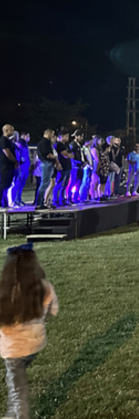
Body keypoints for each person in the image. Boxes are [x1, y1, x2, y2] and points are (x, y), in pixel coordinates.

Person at [0, 244, 59, 419]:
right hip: (35, 344)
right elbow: (52, 310)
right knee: (17, 374)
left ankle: (17, 416)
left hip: (12, 349)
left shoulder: (4, 291)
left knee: (17, 388)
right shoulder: (44, 287)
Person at [34, 130, 57, 210]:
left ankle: (41, 202)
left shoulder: (46, 142)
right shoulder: (44, 142)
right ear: (48, 133)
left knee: (45, 184)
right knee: (44, 184)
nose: (53, 136)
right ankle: (39, 203)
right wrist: (55, 158)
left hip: (47, 163)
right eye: (52, 134)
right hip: (46, 163)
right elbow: (47, 154)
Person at [52, 130, 72, 207]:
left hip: (67, 166)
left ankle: (62, 198)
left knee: (65, 184)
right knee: (59, 183)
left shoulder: (66, 145)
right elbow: (66, 154)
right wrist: (69, 155)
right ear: (61, 136)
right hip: (62, 167)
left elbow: (70, 154)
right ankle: (55, 199)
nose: (68, 138)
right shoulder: (59, 145)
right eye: (66, 136)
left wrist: (69, 155)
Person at [0, 126, 18, 209]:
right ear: (6, 130)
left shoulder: (9, 140)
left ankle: (5, 202)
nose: (13, 131)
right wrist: (15, 161)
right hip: (5, 166)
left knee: (8, 184)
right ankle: (1, 202)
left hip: (10, 166)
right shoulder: (3, 140)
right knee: (4, 184)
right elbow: (7, 153)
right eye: (11, 130)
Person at [10, 133, 30, 207]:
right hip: (20, 167)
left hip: (25, 167)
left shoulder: (24, 144)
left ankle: (19, 199)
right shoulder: (18, 144)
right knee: (17, 184)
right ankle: (14, 200)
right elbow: (18, 155)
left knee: (21, 184)